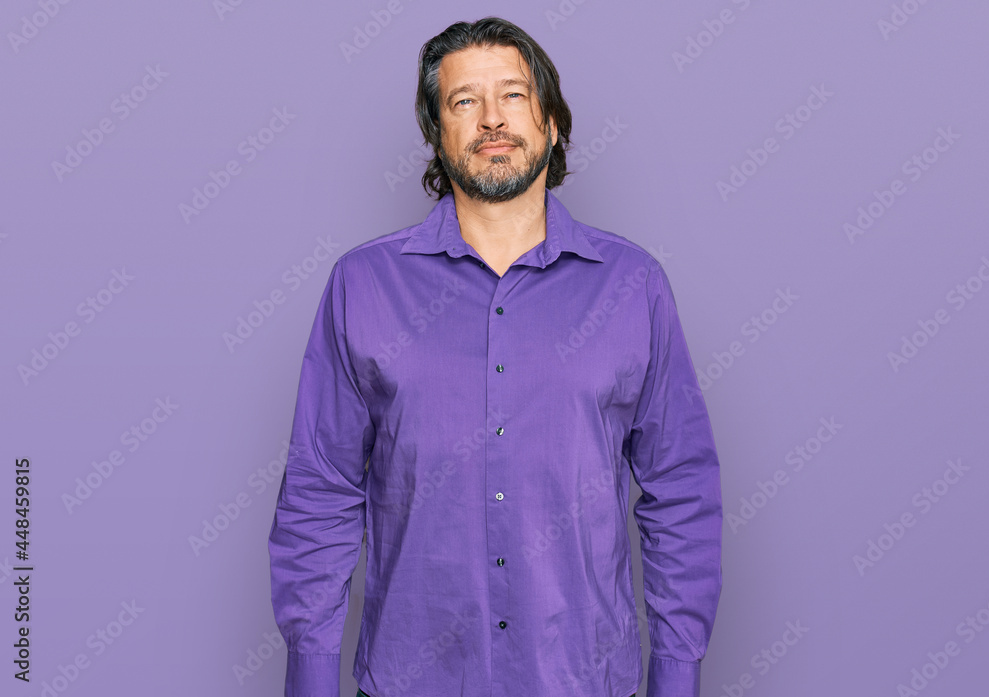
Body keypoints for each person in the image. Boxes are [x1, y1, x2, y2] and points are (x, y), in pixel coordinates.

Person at [268, 16, 723, 697]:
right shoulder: (363, 285)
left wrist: (677, 677)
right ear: (437, 133)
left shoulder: (633, 286)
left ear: (552, 123)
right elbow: (318, 492)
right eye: (463, 101)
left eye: (512, 95)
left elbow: (682, 492)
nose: (491, 119)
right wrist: (309, 680)